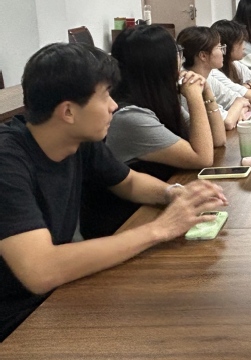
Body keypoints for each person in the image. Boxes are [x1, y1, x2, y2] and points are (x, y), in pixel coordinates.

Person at [0, 43, 228, 341]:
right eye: (105, 96)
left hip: (55, 297)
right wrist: (160, 229)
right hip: (15, 322)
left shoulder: (79, 140)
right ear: (68, 111)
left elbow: (128, 181)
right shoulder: (7, 161)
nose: (114, 106)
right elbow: (41, 270)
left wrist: (173, 193)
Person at [81, 25, 227, 239]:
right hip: (127, 222)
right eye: (177, 53)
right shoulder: (128, 116)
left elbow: (218, 140)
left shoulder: (158, 99)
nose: (181, 60)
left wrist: (207, 92)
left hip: (152, 208)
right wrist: (195, 96)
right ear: (159, 63)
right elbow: (203, 157)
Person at [177, 26, 251, 130]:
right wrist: (238, 105)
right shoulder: (188, 82)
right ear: (203, 56)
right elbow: (228, 122)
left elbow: (241, 99)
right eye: (219, 47)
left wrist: (239, 108)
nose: (223, 52)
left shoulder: (208, 76)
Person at [210, 20, 251, 94]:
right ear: (227, 46)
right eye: (240, 42)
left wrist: (248, 86)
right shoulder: (213, 72)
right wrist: (245, 89)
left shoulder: (235, 64)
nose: (244, 46)